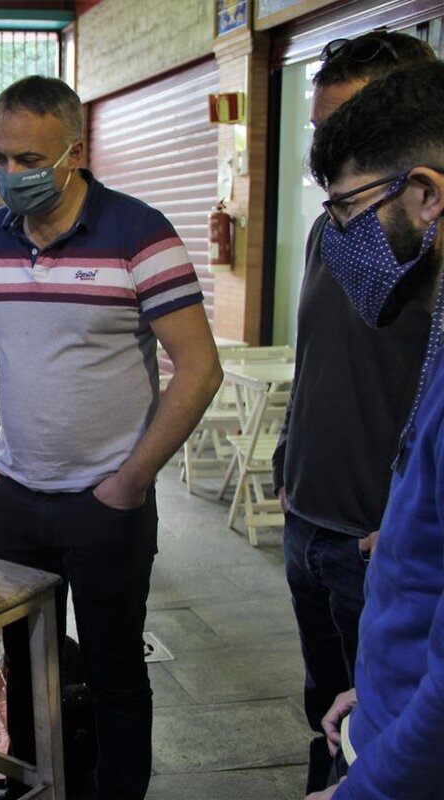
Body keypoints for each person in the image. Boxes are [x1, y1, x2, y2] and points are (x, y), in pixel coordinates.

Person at [0, 76, 222, 800]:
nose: (11, 174)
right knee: (24, 664)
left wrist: (131, 480)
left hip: (106, 505)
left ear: (75, 152)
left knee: (114, 671)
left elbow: (199, 368)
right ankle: (39, 786)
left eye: (29, 160)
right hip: (15, 497)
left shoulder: (139, 233)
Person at [270, 30, 437, 794]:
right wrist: (288, 458)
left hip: (381, 539)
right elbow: (318, 355)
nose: (326, 153)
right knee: (335, 708)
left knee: (391, 721)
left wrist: (397, 519)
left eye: (349, 128)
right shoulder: (334, 232)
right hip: (312, 513)